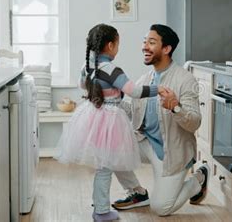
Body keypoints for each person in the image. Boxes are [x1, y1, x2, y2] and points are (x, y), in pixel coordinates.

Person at [54, 23, 164, 221]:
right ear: (111, 45)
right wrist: (159, 89)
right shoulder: (112, 69)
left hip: (92, 116)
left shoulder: (87, 67)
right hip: (110, 119)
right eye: (118, 44)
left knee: (114, 158)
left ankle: (137, 191)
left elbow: (82, 85)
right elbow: (135, 92)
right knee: (105, 167)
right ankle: (101, 210)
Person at [113, 24, 210, 216]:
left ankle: (198, 179)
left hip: (171, 152)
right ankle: (137, 193)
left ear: (166, 49)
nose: (144, 47)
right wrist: (111, 100)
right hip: (145, 142)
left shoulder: (185, 80)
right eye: (144, 42)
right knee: (110, 148)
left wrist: (176, 107)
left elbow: (195, 123)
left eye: (151, 42)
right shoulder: (145, 79)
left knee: (161, 208)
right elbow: (134, 113)